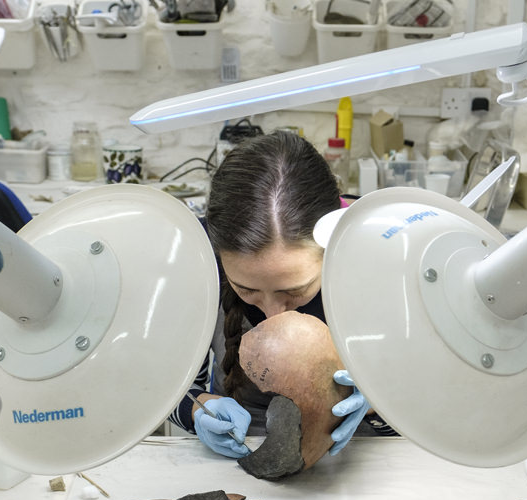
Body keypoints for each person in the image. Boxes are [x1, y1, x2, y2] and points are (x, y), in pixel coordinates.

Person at [167, 129, 394, 459]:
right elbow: (170, 390)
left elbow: (426, 415)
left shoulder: (377, 257)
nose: (274, 315)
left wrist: (380, 406)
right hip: (240, 448)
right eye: (247, 289)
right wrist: (196, 411)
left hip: (360, 458)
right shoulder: (194, 260)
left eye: (295, 291)